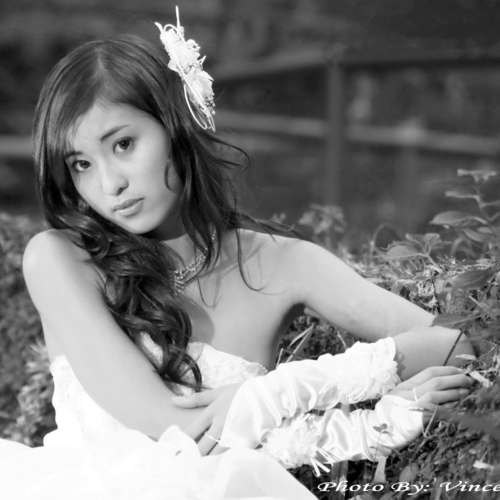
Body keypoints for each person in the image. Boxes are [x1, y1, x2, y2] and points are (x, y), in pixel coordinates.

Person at [0, 7, 474, 499]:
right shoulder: (60, 260)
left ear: (177, 126)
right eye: (80, 164)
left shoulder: (282, 263)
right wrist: (368, 427)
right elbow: (172, 429)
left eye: (122, 144)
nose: (109, 183)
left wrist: (284, 394)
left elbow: (453, 344)